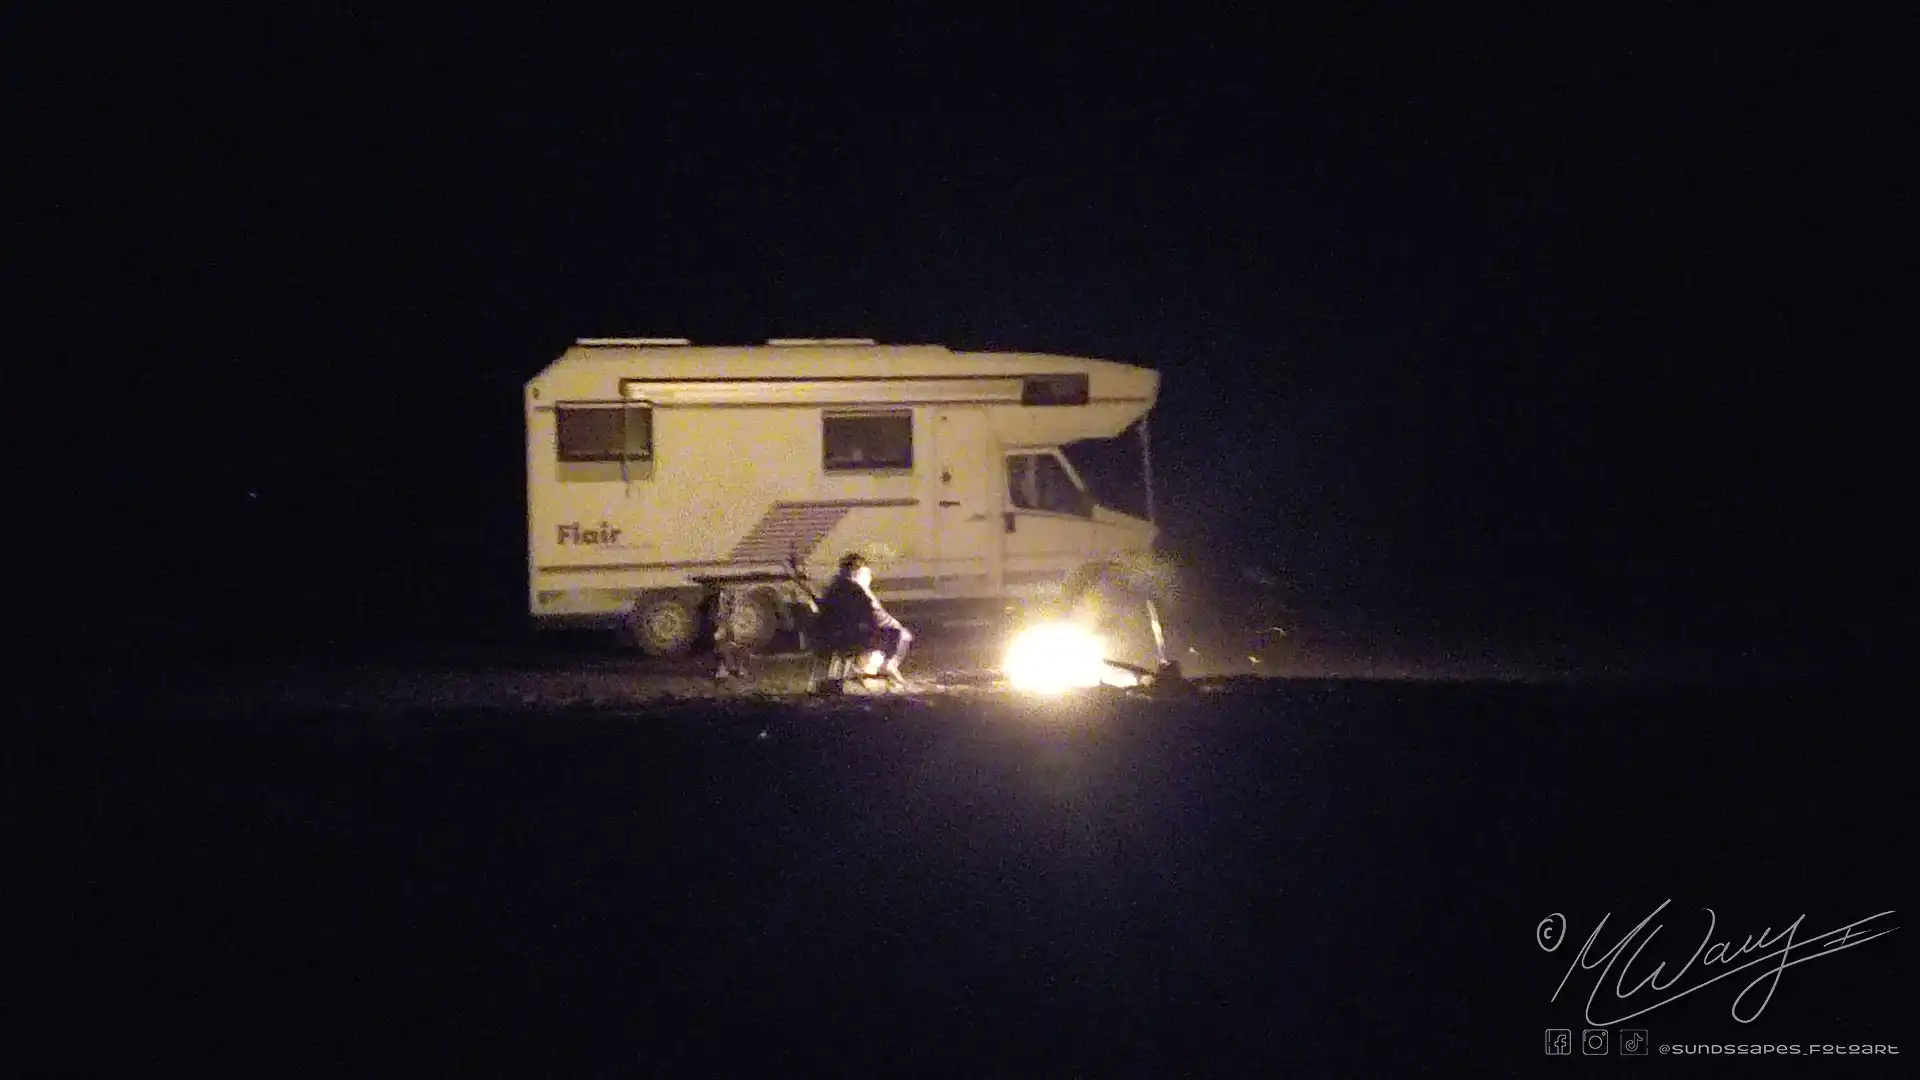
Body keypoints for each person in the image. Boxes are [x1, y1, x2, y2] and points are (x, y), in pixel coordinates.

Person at [813, 552, 912, 687]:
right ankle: (887, 666)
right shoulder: (857, 590)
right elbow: (872, 615)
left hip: (827, 637)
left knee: (886, 633)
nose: (870, 578)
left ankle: (870, 670)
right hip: (852, 637)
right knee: (901, 634)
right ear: (859, 573)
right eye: (868, 574)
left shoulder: (832, 588)